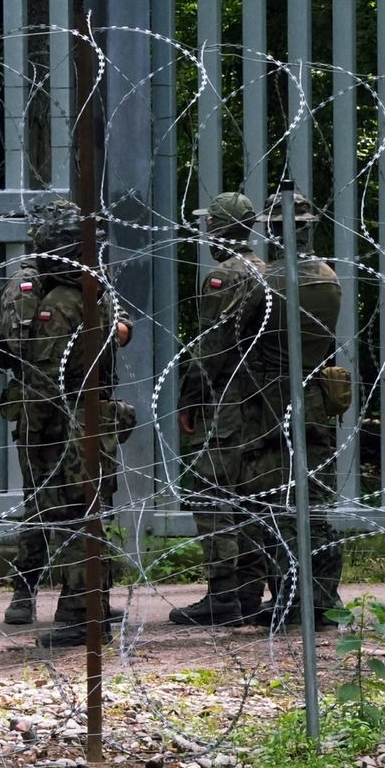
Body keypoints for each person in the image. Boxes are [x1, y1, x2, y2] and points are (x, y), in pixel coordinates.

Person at [0, 200, 134, 648]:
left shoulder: (62, 301)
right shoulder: (90, 292)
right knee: (86, 511)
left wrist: (38, 424)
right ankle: (88, 607)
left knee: (73, 514)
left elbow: (45, 375)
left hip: (63, 423)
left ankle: (80, 615)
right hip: (87, 416)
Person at [239, 189, 344, 628]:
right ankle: (322, 597)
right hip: (315, 395)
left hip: (271, 399)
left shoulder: (270, 281)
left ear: (273, 230)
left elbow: (240, 335)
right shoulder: (328, 277)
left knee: (276, 501)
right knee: (313, 501)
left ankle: (292, 596)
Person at [169, 192, 268, 626]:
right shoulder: (266, 270)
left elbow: (211, 347)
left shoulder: (224, 276)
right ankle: (249, 591)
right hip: (262, 400)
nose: (205, 232)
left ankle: (223, 594)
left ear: (220, 228)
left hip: (228, 398)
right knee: (250, 494)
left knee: (210, 490)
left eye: (209, 225)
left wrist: (190, 398)